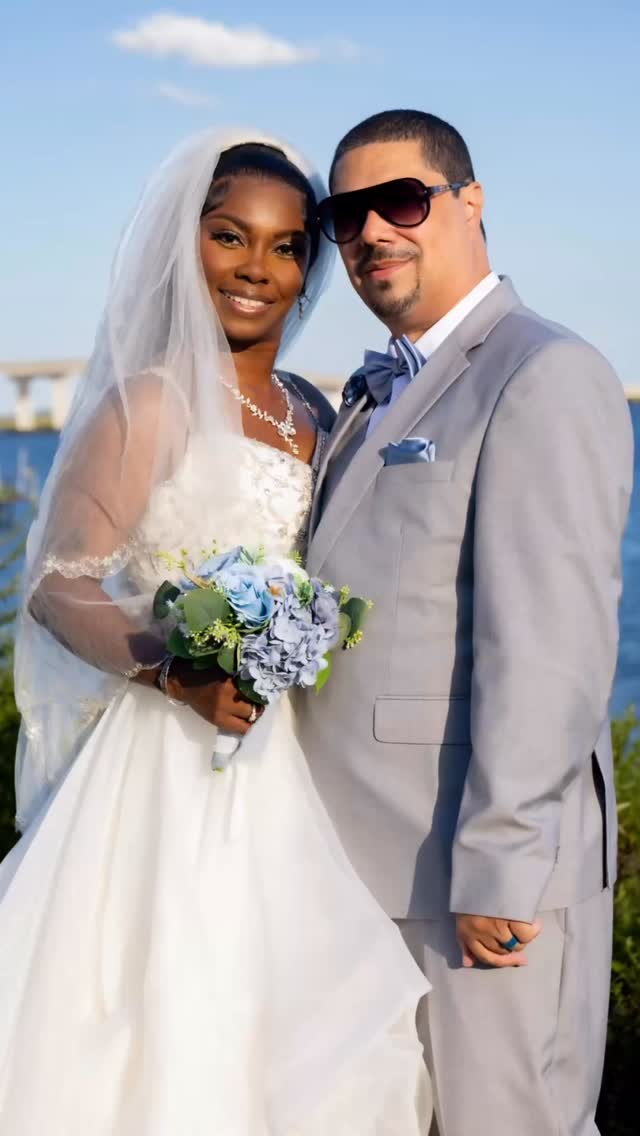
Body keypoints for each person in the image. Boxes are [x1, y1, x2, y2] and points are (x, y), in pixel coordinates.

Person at [0, 128, 431, 1135]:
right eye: (230, 236)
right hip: (169, 766)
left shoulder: (313, 411)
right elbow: (59, 584)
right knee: (174, 1019)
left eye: (286, 247)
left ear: (309, 269)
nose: (255, 268)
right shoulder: (149, 404)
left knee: (306, 1032)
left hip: (296, 766)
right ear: (185, 244)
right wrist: (175, 674)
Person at [295, 108, 634, 1135]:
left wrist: (502, 861)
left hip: (473, 877)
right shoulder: (367, 396)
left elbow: (549, 645)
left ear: (469, 202)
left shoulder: (543, 372)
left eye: (400, 201)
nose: (370, 232)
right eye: (344, 215)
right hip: (353, 866)